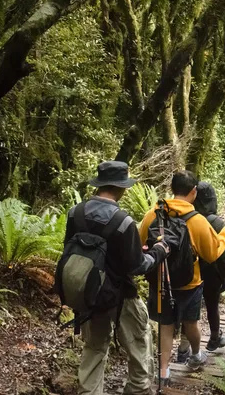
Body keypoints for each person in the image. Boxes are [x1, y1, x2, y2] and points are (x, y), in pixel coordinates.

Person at [63, 161, 170, 395]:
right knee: (139, 339)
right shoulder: (123, 221)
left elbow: (70, 251)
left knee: (95, 346)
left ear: (100, 184)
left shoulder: (76, 213)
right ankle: (138, 389)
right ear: (121, 187)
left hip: (88, 293)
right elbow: (137, 266)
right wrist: (158, 252)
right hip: (121, 294)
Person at [139, 171, 225, 384]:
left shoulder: (152, 215)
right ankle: (195, 355)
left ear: (172, 189)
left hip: (161, 281)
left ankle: (163, 372)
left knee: (165, 325)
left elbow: (140, 245)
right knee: (191, 323)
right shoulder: (197, 220)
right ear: (193, 192)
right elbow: (211, 254)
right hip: (190, 283)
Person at [173, 181, 225, 363]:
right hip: (212, 274)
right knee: (212, 305)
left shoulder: (190, 218)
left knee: (190, 312)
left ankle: (183, 347)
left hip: (192, 272)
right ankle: (214, 337)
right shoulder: (217, 222)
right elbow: (223, 256)